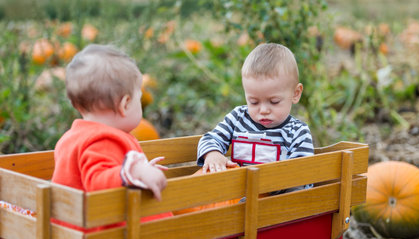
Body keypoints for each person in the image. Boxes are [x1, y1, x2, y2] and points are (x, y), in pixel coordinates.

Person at [52, 44, 172, 224]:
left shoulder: (72, 137)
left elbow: (103, 169)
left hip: (80, 229)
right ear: (125, 104)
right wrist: (135, 170)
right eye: (139, 99)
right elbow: (96, 180)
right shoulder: (102, 139)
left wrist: (140, 171)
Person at [197, 43, 314, 191]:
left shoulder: (297, 132)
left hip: (278, 205)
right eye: (254, 102)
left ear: (295, 93)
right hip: (238, 198)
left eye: (274, 102)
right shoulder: (238, 118)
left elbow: (301, 175)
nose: (263, 110)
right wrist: (212, 153)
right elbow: (209, 138)